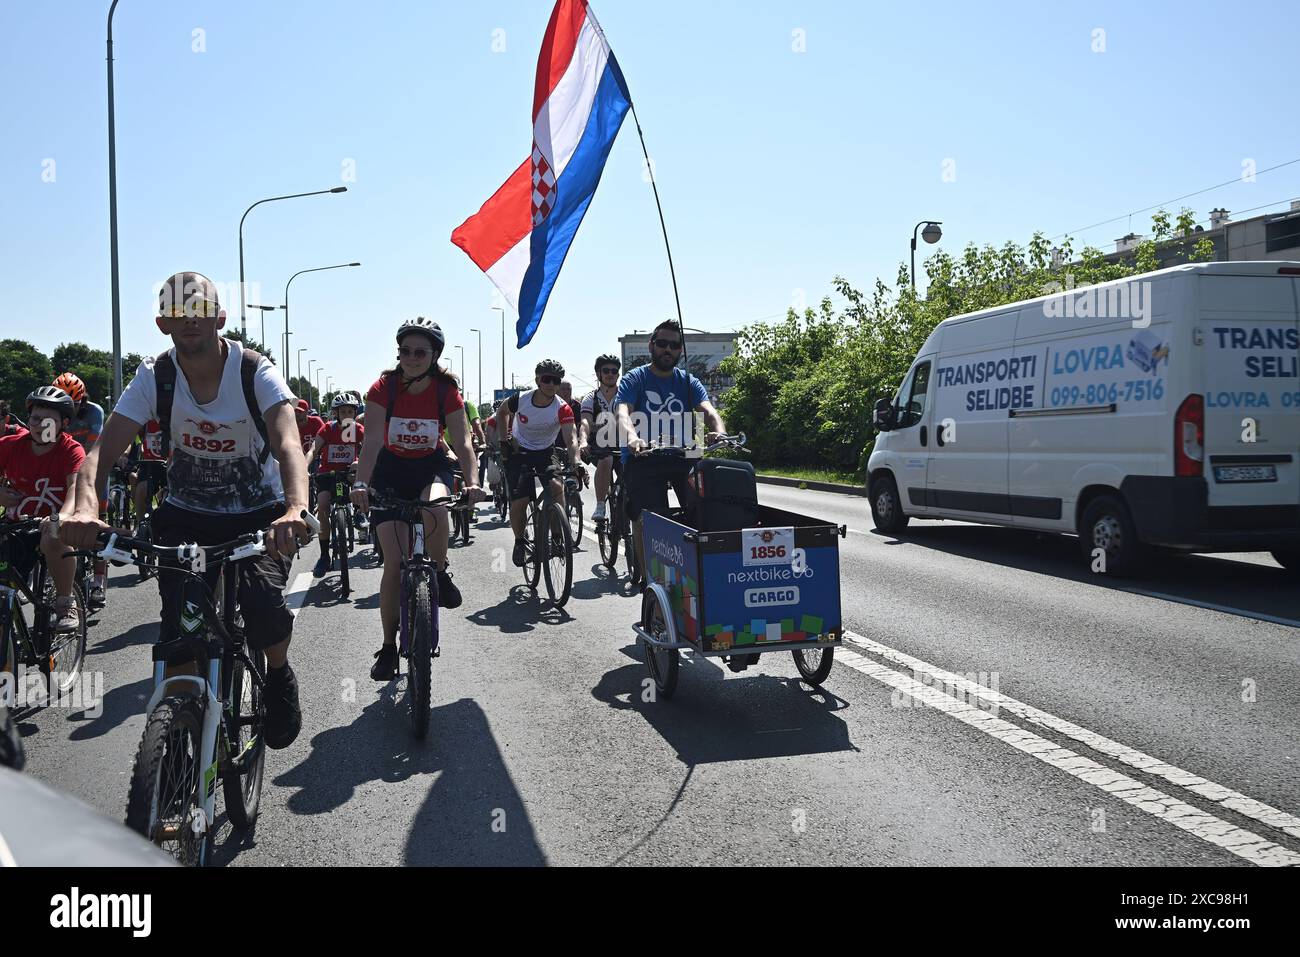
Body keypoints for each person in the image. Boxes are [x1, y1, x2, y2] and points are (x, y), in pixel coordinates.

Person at [59, 272, 312, 750]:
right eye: (177, 311)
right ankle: (173, 749)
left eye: (199, 309)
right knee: (180, 630)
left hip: (259, 513)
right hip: (185, 515)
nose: (189, 319)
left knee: (262, 605)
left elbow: (288, 444)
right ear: (162, 323)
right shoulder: (155, 376)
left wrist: (296, 508)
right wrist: (84, 510)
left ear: (219, 317)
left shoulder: (253, 371)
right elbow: (99, 455)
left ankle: (278, 673)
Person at [350, 318, 484, 681]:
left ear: (434, 355)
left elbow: (463, 442)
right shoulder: (384, 388)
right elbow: (371, 442)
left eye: (420, 352)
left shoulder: (445, 391)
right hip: (390, 472)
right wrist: (361, 483)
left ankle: (439, 572)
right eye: (405, 351)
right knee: (394, 565)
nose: (411, 358)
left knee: (436, 507)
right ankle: (388, 647)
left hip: (431, 468)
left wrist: (473, 483)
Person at [616, 320, 725, 576]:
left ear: (680, 350)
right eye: (662, 343)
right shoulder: (635, 378)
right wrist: (632, 438)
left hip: (683, 455)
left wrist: (719, 431)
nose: (668, 349)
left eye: (674, 345)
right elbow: (622, 413)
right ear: (651, 346)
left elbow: (709, 411)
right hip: (644, 456)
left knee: (704, 512)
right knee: (648, 519)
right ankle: (648, 580)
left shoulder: (688, 382)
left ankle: (701, 574)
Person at [0, 386, 85, 633]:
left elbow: (75, 488)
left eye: (47, 421)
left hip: (55, 524)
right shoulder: (9, 446)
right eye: (35, 419)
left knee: (53, 536)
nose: (39, 425)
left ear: (64, 423)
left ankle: (65, 603)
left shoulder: (71, 450)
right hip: (17, 525)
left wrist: (64, 516)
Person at [497, 360, 584, 567]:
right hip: (520, 451)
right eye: (547, 379)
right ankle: (520, 541)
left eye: (556, 381)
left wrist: (577, 463)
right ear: (537, 380)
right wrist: (503, 440)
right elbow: (502, 413)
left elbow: (571, 439)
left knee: (556, 486)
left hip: (545, 451)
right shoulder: (521, 399)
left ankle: (557, 537)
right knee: (520, 501)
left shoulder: (562, 408)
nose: (551, 384)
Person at [53, 372, 109, 604]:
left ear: (82, 401)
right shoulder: (53, 414)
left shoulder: (95, 411)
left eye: (74, 405)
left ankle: (98, 581)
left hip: (91, 469)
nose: (69, 409)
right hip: (66, 471)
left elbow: (92, 447)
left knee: (97, 525)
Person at [307, 391, 365, 576]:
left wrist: (361, 462)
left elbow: (369, 450)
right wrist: (304, 466)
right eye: (343, 412)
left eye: (350, 411)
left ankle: (359, 513)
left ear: (355, 413)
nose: (347, 415)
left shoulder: (358, 430)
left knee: (359, 473)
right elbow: (314, 450)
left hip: (349, 473)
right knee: (323, 507)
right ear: (336, 413)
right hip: (328, 473)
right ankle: (324, 556)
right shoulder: (327, 429)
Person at [578, 354, 622, 523]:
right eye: (606, 371)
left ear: (618, 374)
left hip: (623, 442)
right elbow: (585, 422)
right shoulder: (591, 398)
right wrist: (583, 441)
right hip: (599, 444)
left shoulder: (625, 395)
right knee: (607, 459)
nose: (610, 374)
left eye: (614, 371)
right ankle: (600, 505)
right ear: (598, 374)